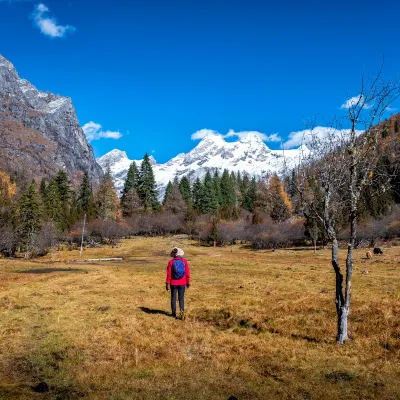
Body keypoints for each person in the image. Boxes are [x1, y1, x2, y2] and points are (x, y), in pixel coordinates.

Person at [166, 247, 190, 320]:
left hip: (173, 283)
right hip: (182, 283)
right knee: (181, 298)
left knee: (173, 298)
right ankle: (182, 312)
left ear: (174, 254)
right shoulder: (184, 261)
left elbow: (169, 274)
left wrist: (167, 283)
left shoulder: (171, 262)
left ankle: (173, 313)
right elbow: (187, 273)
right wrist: (188, 282)